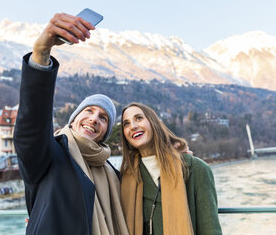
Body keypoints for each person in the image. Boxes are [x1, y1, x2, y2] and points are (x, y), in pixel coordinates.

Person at [14, 13, 129, 235]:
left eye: (103, 118)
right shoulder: (49, 155)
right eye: (88, 111)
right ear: (74, 119)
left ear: (105, 132)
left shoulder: (113, 172)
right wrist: (41, 52)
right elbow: (32, 126)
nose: (94, 118)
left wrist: (174, 152)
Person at [120, 102, 222, 235]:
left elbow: (210, 229)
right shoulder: (126, 178)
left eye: (139, 118)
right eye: (126, 123)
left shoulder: (196, 169)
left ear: (153, 122)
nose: (133, 126)